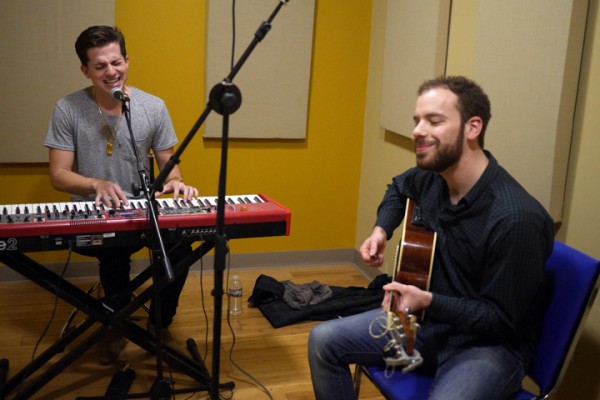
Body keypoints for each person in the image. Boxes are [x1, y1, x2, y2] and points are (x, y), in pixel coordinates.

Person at [308, 76, 554, 400]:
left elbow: (501, 320)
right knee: (323, 341)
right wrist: (381, 230)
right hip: (427, 324)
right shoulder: (432, 178)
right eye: (416, 120)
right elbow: (398, 189)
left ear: (472, 127)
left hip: (488, 347)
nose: (417, 131)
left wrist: (427, 301)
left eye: (433, 121)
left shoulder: (515, 219)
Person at [44, 25, 199, 364]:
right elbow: (58, 175)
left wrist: (174, 182)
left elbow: (168, 164)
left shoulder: (153, 106)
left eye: (116, 63)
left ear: (127, 60)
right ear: (85, 70)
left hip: (142, 211)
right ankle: (114, 322)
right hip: (94, 213)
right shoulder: (68, 108)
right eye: (100, 66)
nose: (110, 72)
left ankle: (159, 322)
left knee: (180, 246)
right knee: (113, 255)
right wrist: (95, 184)